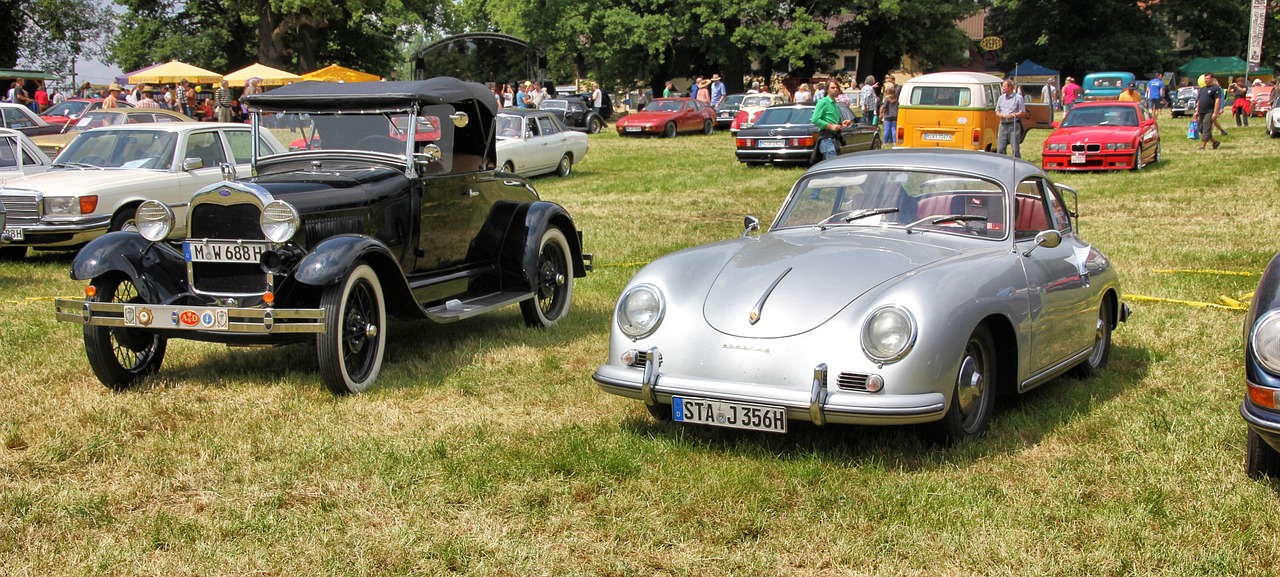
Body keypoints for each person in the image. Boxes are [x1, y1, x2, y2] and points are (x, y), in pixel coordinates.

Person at [811, 79, 852, 161]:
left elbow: (833, 122)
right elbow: (815, 119)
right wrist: (830, 126)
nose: (835, 89)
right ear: (827, 89)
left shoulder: (834, 103)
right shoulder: (823, 102)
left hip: (834, 140)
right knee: (833, 166)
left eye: (837, 87)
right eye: (832, 87)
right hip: (826, 140)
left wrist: (842, 124)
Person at [995, 79, 1026, 158]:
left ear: (1010, 87)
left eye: (1004, 86)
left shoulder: (1018, 98)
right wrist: (1000, 115)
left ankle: (1016, 166)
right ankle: (1001, 165)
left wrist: (1012, 115)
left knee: (1015, 149)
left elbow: (1022, 113)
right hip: (1002, 125)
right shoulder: (1001, 98)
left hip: (1013, 125)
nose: (1003, 88)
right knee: (1000, 148)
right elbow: (997, 111)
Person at [1193, 73, 1223, 150]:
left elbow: (1217, 101)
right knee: (1200, 128)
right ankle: (1215, 142)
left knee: (1206, 128)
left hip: (1209, 111)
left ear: (1212, 79)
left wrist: (1215, 113)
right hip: (1201, 111)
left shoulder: (1216, 88)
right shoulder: (1202, 89)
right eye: (1205, 78)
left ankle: (1203, 146)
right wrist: (1196, 111)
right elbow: (1199, 101)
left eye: (1208, 78)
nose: (1206, 80)